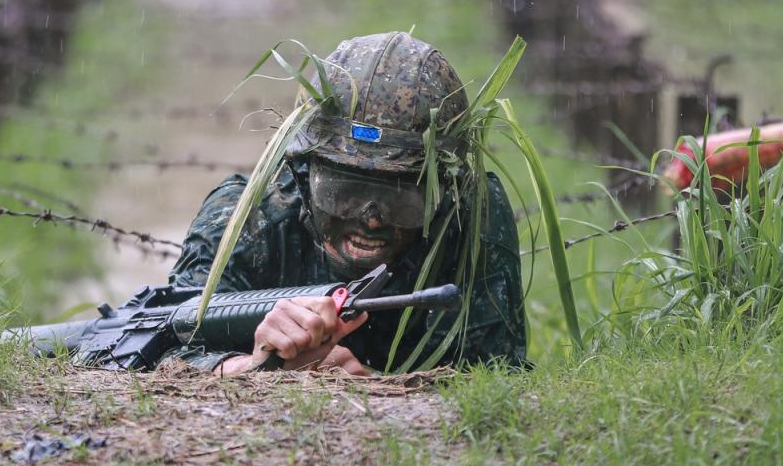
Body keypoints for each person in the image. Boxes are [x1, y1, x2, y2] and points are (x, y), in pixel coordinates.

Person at [168, 31, 526, 375]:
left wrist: (373, 384)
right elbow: (159, 340)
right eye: (345, 191)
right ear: (305, 170)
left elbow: (496, 370)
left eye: (399, 197)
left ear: (444, 187)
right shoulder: (247, 218)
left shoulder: (468, 216)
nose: (371, 221)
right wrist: (248, 368)